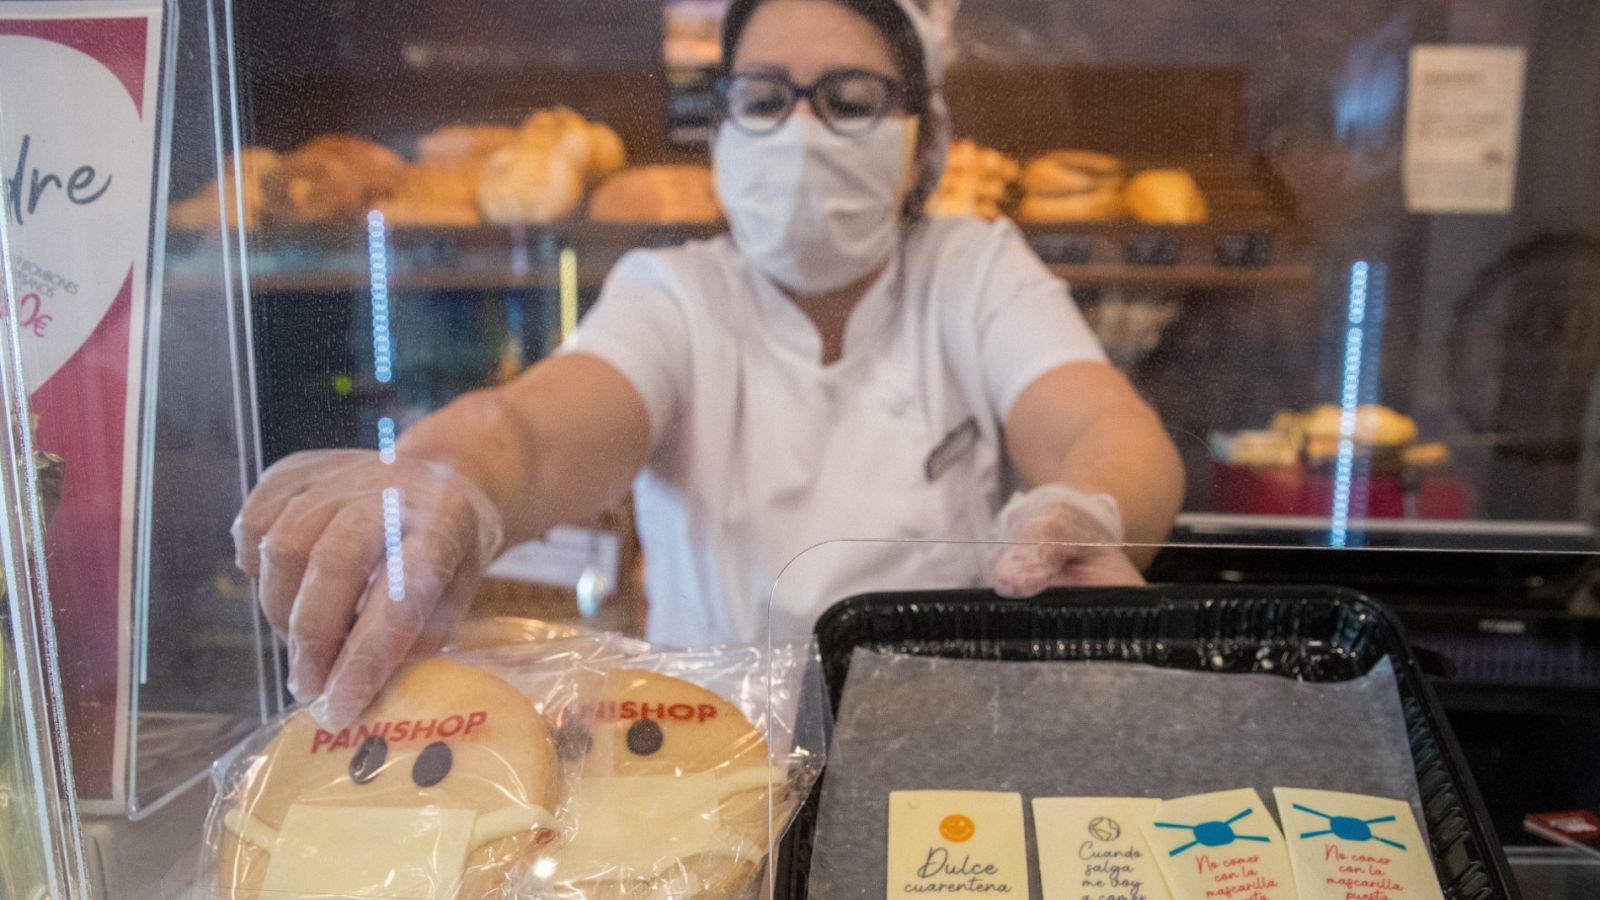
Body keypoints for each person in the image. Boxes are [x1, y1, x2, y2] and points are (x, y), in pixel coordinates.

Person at [233, 0, 1184, 729]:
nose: (802, 135)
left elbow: (1104, 430)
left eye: (850, 102)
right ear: (723, 128)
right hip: (705, 759)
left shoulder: (972, 269)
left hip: (942, 746)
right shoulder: (676, 294)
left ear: (923, 140)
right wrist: (438, 489)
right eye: (765, 100)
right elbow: (525, 431)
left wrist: (1087, 509)